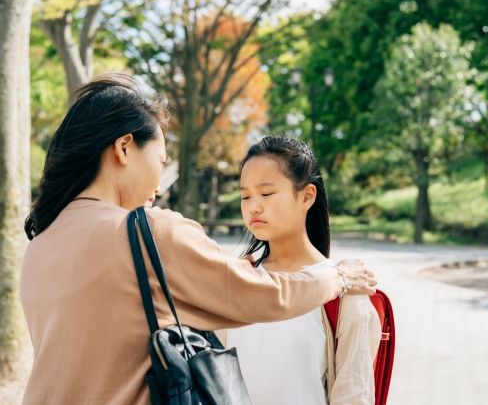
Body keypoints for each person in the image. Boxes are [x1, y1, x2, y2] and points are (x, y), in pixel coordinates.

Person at [20, 74, 377, 405]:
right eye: (159, 161)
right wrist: (339, 277)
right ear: (124, 148)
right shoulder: (150, 234)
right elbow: (266, 296)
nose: (158, 186)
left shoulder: (40, 245)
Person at [226, 137, 382, 405]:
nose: (253, 206)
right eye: (245, 196)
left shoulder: (347, 294)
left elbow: (354, 396)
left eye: (266, 193)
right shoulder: (238, 279)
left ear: (307, 196)